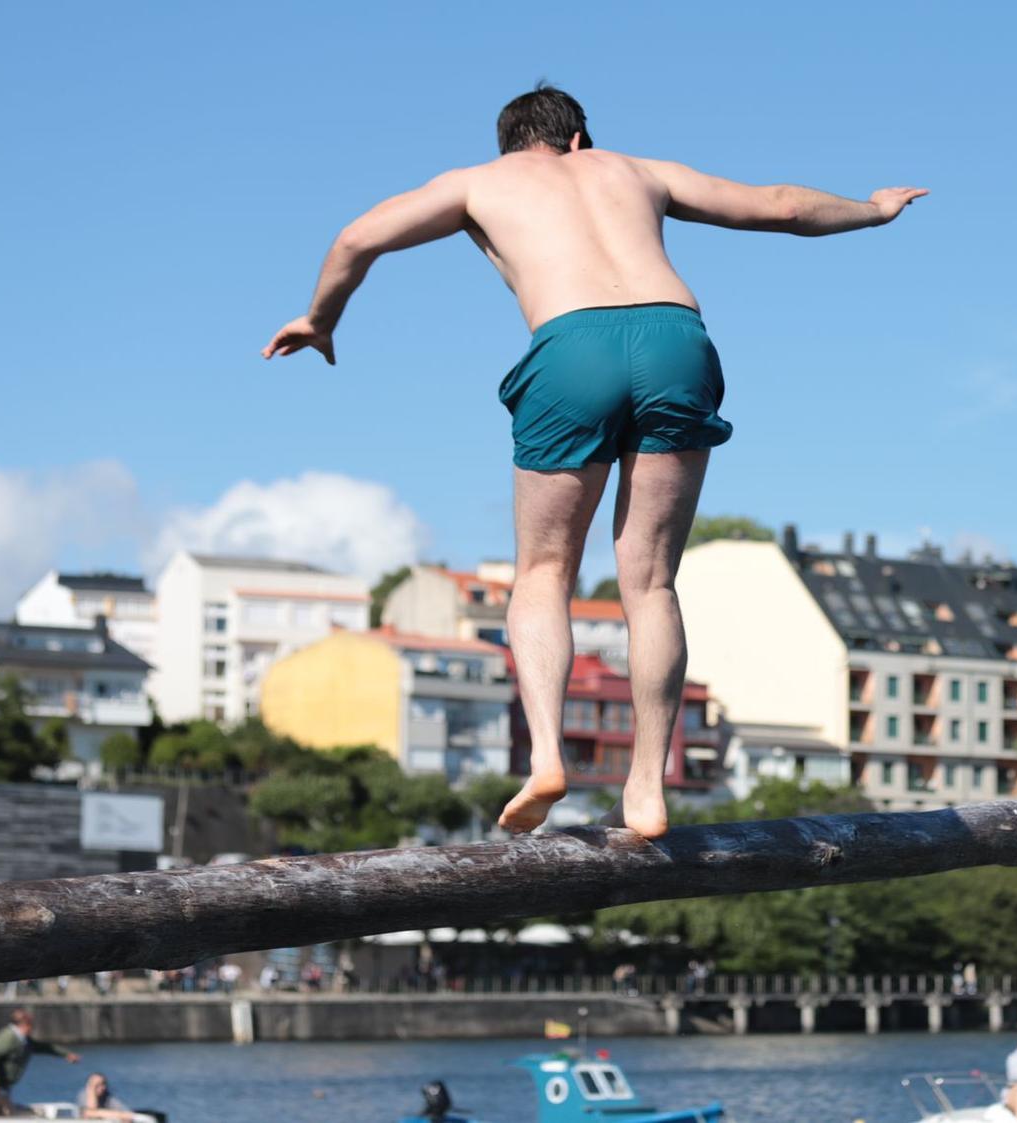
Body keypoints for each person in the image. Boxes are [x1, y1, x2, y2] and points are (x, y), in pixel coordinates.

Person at [263, 84, 926, 840]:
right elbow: (780, 206)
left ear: (513, 145)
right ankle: (645, 787)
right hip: (677, 338)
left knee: (544, 571)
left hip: (572, 345)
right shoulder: (638, 170)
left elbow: (357, 238)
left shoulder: (478, 183)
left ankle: (547, 757)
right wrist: (872, 210)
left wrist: (320, 319)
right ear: (581, 140)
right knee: (650, 582)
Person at [0, 1009, 77, 1094]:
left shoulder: (22, 1039)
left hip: (4, 1085)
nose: (32, 1027)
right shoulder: (8, 1037)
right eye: (30, 1024)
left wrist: (66, 1054)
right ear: (23, 1024)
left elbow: (44, 1047)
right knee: (5, 1109)